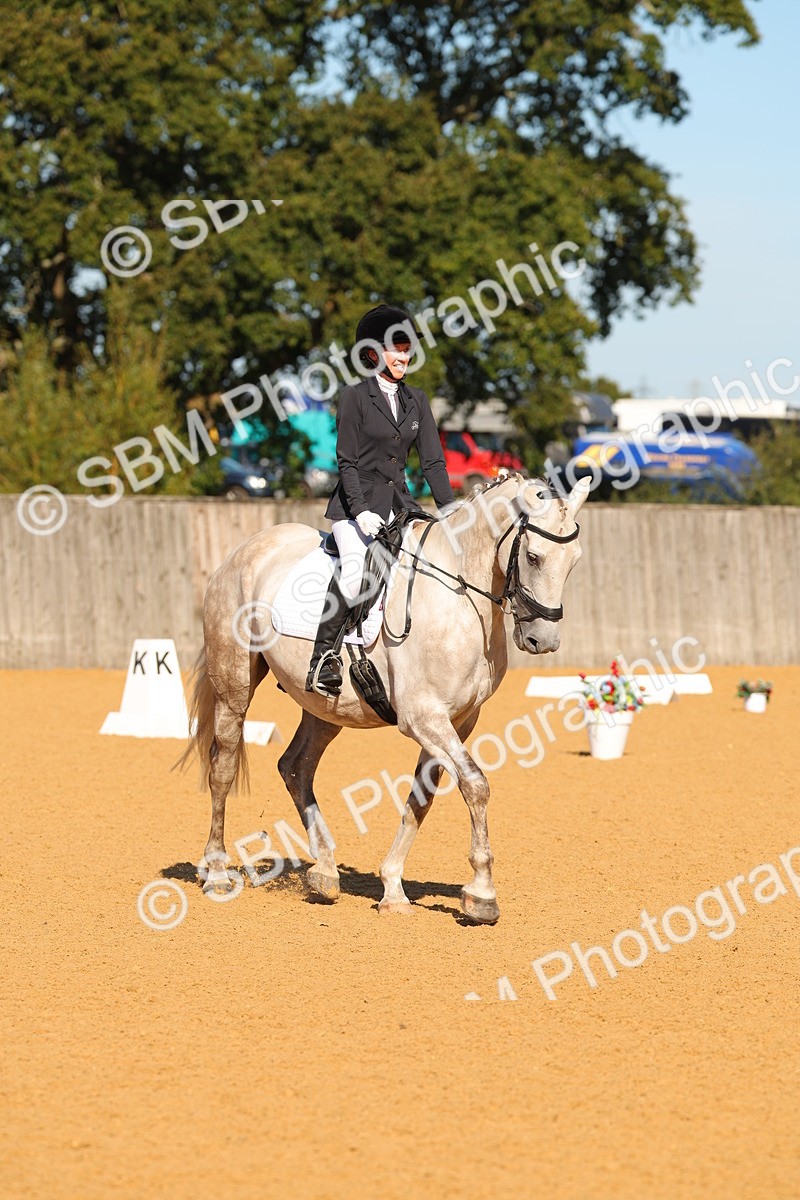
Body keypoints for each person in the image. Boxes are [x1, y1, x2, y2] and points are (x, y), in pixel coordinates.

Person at [305, 303, 455, 696]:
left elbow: (433, 462)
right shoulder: (355, 397)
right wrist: (361, 511)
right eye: (396, 348)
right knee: (356, 569)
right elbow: (346, 462)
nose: (404, 356)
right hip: (356, 506)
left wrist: (452, 512)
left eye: (407, 348)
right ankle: (324, 658)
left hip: (400, 506)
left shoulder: (417, 400)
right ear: (373, 353)